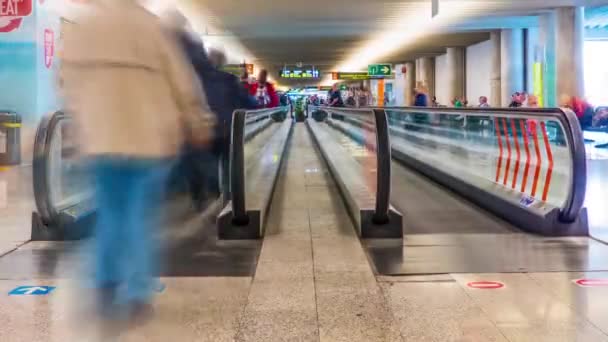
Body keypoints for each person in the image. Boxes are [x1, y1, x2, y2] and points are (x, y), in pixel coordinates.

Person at [60, 0, 215, 319]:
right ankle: (137, 291)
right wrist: (197, 122)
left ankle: (105, 283)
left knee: (110, 211)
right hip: (149, 138)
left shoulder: (84, 27)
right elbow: (184, 86)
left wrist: (78, 123)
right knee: (139, 215)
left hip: (101, 137)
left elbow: (66, 82)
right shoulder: (152, 29)